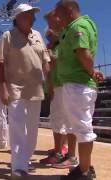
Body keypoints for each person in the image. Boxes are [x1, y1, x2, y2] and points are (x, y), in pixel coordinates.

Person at [0, 3, 50, 178]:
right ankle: (18, 168)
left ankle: (24, 162)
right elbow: (0, 63)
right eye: (29, 15)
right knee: (18, 128)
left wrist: (49, 82)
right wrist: (3, 88)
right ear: (17, 18)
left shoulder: (38, 36)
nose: (33, 18)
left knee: (33, 130)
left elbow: (45, 61)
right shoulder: (8, 36)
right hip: (15, 89)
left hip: (35, 89)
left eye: (33, 15)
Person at [54, 0, 102, 179]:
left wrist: (92, 72)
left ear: (69, 10)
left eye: (60, 13)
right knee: (80, 128)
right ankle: (84, 167)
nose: (58, 18)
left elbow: (83, 53)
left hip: (77, 85)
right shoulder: (74, 27)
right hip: (76, 84)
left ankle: (84, 172)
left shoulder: (77, 27)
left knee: (82, 130)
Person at [39, 10, 70, 165]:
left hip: (60, 86)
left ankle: (62, 149)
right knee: (58, 118)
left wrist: (50, 56)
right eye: (48, 37)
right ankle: (60, 148)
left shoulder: (59, 47)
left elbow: (54, 67)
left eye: (51, 36)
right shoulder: (54, 48)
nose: (49, 39)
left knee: (60, 118)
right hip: (57, 85)